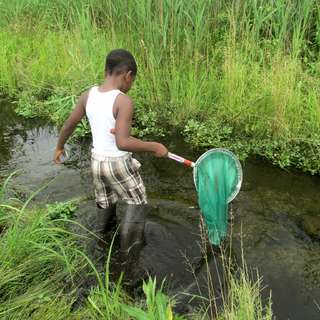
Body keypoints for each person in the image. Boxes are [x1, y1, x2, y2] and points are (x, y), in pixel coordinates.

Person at [53, 49, 168, 283]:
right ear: (127, 75)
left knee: (105, 202)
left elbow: (69, 123)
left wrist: (59, 146)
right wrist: (154, 146)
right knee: (137, 201)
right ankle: (127, 260)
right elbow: (123, 142)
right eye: (132, 80)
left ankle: (102, 239)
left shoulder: (88, 95)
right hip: (117, 164)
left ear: (106, 70)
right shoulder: (123, 101)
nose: (131, 85)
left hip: (96, 163)